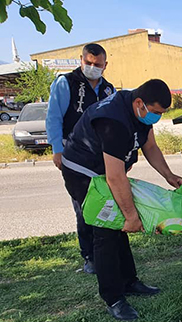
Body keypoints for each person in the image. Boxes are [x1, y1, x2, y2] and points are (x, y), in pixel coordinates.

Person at [60, 79, 182, 321]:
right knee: (106, 229)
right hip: (82, 173)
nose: (157, 118)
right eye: (156, 112)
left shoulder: (137, 109)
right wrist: (131, 216)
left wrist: (168, 174)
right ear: (140, 103)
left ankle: (129, 282)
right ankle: (113, 298)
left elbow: (150, 146)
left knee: (119, 228)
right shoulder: (113, 121)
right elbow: (116, 177)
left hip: (105, 173)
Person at [46, 43, 115, 274]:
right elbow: (53, 117)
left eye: (98, 65)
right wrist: (57, 149)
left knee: (104, 204)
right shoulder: (66, 83)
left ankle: (106, 251)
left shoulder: (109, 90)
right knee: (83, 207)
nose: (93, 68)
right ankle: (90, 256)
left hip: (101, 157)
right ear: (81, 60)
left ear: (106, 65)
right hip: (74, 156)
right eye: (89, 63)